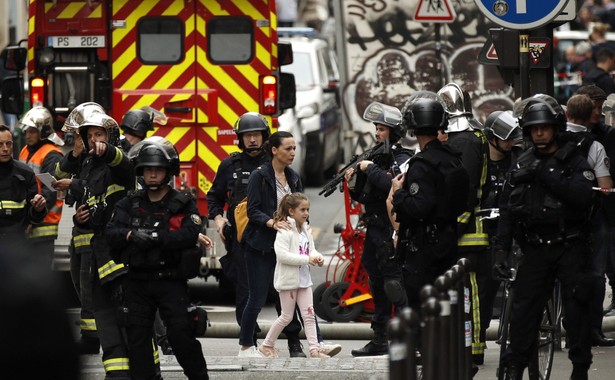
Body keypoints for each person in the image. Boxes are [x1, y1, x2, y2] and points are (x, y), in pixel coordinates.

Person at [494, 97, 595, 380]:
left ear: (555, 128)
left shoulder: (572, 158)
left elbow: (583, 196)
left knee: (577, 311)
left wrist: (547, 174)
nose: (539, 133)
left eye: (545, 128)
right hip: (535, 248)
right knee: (524, 313)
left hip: (569, 245)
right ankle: (515, 368)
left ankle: (580, 369)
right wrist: (501, 251)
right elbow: (507, 211)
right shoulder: (521, 164)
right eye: (534, 128)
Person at [106, 140, 209, 380]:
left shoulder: (182, 203)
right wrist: (131, 234)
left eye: (158, 169)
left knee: (181, 335)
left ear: (168, 171)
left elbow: (189, 234)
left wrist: (155, 238)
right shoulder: (129, 203)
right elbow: (111, 232)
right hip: (136, 282)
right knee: (138, 339)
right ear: (140, 172)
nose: (152, 174)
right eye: (147, 169)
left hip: (170, 282)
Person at [55, 111, 136, 379]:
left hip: (121, 254)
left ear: (110, 136)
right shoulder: (89, 164)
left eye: (98, 135)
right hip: (99, 249)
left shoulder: (119, 159)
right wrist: (80, 217)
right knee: (103, 317)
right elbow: (91, 201)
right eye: (89, 136)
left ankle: (147, 370)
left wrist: (108, 149)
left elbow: (124, 165)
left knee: (130, 317)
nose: (93, 141)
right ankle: (116, 373)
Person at [388, 94, 469, 318]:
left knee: (422, 310)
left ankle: (426, 351)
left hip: (424, 250)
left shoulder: (422, 164)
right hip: (448, 242)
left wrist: (399, 193)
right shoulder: (453, 159)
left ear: (413, 129)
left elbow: (418, 208)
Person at [344, 102, 412, 357]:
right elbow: (368, 195)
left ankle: (407, 340)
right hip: (374, 228)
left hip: (390, 229)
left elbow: (392, 186)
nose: (377, 133)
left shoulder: (403, 159)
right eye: (376, 128)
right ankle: (380, 339)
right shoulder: (374, 156)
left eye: (382, 129)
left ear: (394, 132)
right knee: (376, 281)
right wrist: (353, 182)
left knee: (394, 284)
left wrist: (370, 169)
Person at [237, 130, 304, 357]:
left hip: (286, 247)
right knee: (256, 297)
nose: (292, 152)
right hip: (260, 246)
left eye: (294, 148)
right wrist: (271, 223)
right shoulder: (260, 176)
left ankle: (297, 344)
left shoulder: (293, 177)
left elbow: (301, 209)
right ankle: (246, 346)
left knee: (289, 298)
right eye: (288, 148)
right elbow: (252, 210)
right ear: (274, 150)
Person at [437, 82, 490, 365]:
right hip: (453, 228)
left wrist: (453, 225)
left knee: (471, 292)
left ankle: (475, 348)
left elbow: (466, 191)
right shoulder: (459, 138)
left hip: (469, 231)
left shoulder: (468, 140)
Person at [207, 112, 270, 334]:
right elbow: (213, 197)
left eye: (256, 135)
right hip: (241, 238)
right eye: (247, 136)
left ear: (264, 136)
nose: (252, 140)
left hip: (273, 236)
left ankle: (293, 338)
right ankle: (248, 336)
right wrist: (218, 218)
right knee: (244, 289)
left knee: (284, 288)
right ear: (240, 139)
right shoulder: (229, 165)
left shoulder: (275, 163)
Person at [565, 94, 615, 347]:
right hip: (589, 219)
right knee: (595, 274)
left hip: (555, 218)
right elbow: (605, 186)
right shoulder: (595, 146)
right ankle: (592, 329)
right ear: (590, 117)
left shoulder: (553, 139)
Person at [258, 192, 328, 358]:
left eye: (307, 209)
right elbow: (282, 256)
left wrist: (317, 257)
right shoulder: (284, 232)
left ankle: (315, 350)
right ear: (291, 211)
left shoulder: (306, 231)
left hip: (304, 280)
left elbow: (311, 249)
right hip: (288, 282)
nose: (306, 213)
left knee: (309, 315)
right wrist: (307, 259)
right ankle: (266, 345)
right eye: (302, 210)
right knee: (286, 317)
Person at [480, 110, 523, 358]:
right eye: (505, 138)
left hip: (511, 230)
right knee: (485, 290)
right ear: (492, 138)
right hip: (485, 233)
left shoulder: (516, 160)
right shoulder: (480, 162)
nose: (509, 143)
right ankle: (481, 334)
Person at [17, 106, 64, 261]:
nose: (28, 135)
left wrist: (32, 219)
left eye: (33, 131)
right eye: (27, 131)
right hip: (27, 223)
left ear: (43, 132)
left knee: (39, 277)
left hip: (44, 226)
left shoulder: (51, 155)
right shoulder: (26, 150)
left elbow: (49, 192)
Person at [0, 124, 47, 238]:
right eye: (0, 144)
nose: (5, 148)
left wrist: (38, 209)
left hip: (17, 244)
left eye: (8, 144)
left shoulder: (25, 173)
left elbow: (34, 216)